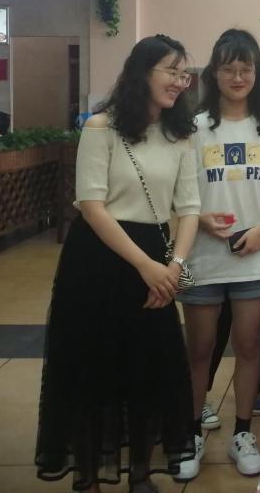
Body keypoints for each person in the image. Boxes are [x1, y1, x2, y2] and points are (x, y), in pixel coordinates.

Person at [35, 35, 200, 493]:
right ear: (141, 73)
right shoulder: (101, 127)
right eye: (170, 71)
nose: (179, 82)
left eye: (184, 74)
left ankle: (140, 473)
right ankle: (88, 473)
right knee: (93, 366)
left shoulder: (181, 134)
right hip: (99, 259)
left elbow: (190, 207)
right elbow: (91, 206)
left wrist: (174, 266)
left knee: (148, 367)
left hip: (159, 258)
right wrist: (147, 266)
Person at [179, 29, 260, 479]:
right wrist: (200, 219)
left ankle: (243, 433)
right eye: (228, 68)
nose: (237, 77)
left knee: (250, 347)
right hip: (202, 258)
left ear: (257, 75)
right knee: (200, 349)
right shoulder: (194, 128)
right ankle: (191, 433)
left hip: (254, 257)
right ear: (214, 73)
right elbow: (179, 193)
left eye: (245, 69)